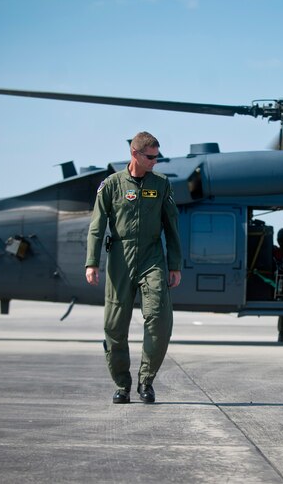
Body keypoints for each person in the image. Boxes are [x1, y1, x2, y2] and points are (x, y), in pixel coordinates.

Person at [85, 131, 182, 404]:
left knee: (160, 320)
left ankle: (146, 381)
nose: (155, 161)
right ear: (135, 154)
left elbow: (171, 226)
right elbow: (96, 226)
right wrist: (91, 262)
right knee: (114, 326)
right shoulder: (112, 185)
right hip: (119, 258)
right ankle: (122, 385)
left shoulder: (161, 185)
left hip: (152, 257)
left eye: (157, 156)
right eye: (151, 157)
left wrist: (174, 264)